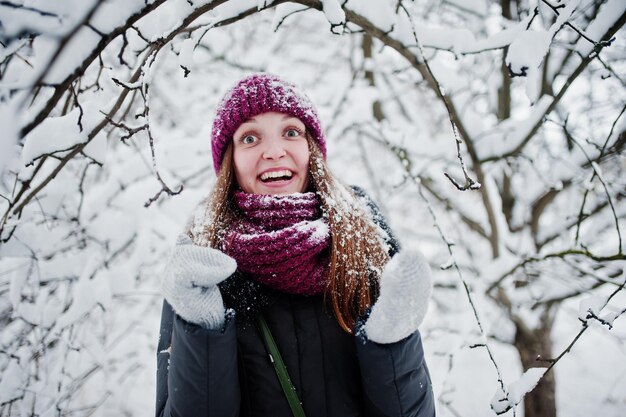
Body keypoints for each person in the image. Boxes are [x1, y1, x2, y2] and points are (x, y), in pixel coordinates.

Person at [155, 73, 435, 417]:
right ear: (230, 160)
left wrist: (394, 343)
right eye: (250, 138)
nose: (274, 151)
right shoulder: (200, 265)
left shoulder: (365, 244)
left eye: (291, 132)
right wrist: (202, 330)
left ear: (311, 149)